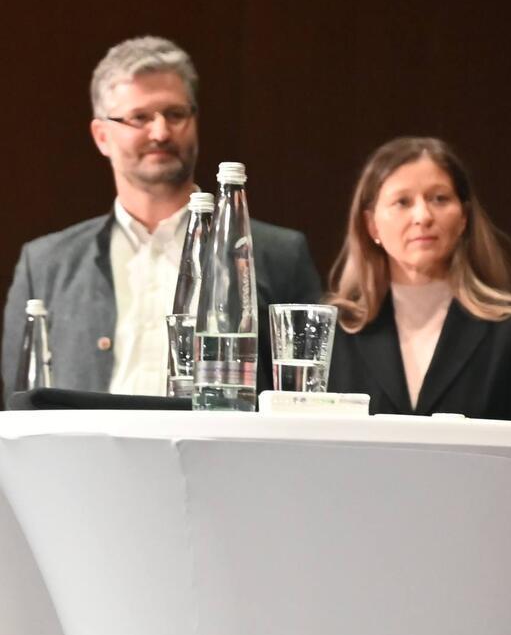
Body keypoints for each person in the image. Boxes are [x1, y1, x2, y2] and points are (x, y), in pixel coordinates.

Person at [3, 36, 321, 396]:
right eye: (140, 117)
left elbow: (306, 400)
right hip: (85, 453)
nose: (161, 132)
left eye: (175, 114)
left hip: (222, 452)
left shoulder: (275, 254)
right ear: (102, 136)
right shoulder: (47, 263)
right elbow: (19, 403)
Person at [324, 137, 511, 421]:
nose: (422, 216)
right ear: (371, 224)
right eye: (402, 202)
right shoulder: (334, 329)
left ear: (463, 218)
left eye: (439, 199)